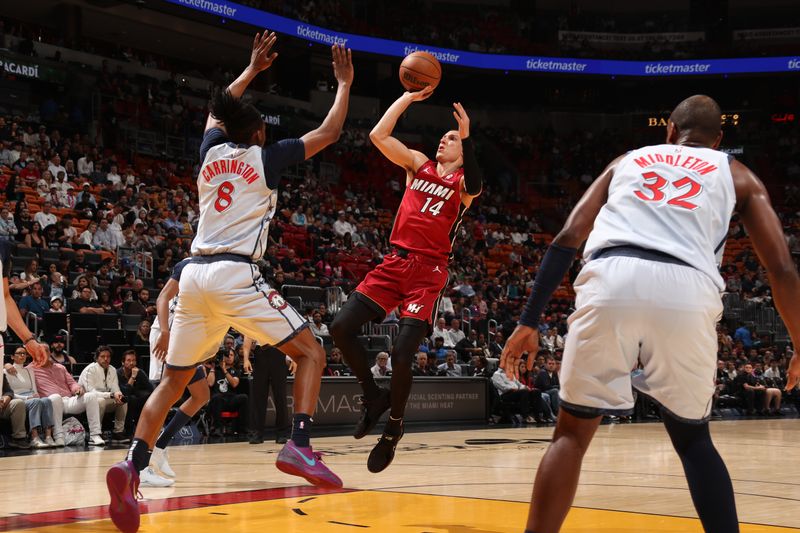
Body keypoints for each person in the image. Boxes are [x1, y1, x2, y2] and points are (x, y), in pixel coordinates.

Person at [500, 95, 800, 533]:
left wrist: (528, 320)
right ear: (719, 140)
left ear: (670, 132)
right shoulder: (738, 174)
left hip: (610, 279)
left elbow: (568, 236)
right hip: (686, 288)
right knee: (693, 439)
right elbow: (783, 269)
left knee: (570, 435)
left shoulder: (628, 160)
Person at [107, 32, 354, 532]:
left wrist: (250, 69)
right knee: (311, 353)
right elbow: (328, 132)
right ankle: (300, 446)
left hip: (193, 276)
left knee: (176, 382)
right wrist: (344, 84)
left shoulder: (209, 152)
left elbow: (217, 113)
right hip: (234, 273)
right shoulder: (266, 158)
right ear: (258, 133)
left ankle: (132, 464)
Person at [330, 87, 483, 474]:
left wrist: (466, 136)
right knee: (340, 327)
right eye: (442, 137)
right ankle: (372, 395)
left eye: (450, 139)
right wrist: (407, 98)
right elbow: (378, 135)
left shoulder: (465, 184)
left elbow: (478, 181)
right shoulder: (418, 164)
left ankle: (394, 429)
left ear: (463, 150)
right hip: (394, 263)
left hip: (428, 273)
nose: (442, 141)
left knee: (401, 355)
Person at [144, 258, 210, 487]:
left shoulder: (220, 271)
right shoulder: (189, 264)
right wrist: (164, 331)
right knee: (164, 396)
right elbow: (163, 298)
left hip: (187, 338)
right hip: (168, 334)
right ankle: (141, 465)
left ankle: (159, 447)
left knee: (201, 394)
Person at [244, 338, 294, 445]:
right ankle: (256, 433)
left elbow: (289, 336)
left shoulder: (281, 320)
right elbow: (248, 336)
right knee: (258, 396)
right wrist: (245, 358)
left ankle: (282, 433)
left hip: (279, 351)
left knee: (280, 396)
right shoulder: (255, 320)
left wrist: (293, 357)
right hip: (260, 352)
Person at [4, 347, 57, 448]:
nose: (22, 355)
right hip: (18, 398)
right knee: (35, 401)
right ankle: (34, 437)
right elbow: (10, 392)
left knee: (46, 400)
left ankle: (48, 436)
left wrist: (36, 395)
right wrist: (27, 398)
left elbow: (34, 388)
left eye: (24, 353)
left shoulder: (29, 370)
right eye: (19, 353)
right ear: (12, 356)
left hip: (31, 396)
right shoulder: (6, 371)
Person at [78, 346, 129, 445]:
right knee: (100, 401)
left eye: (108, 356)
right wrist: (111, 394)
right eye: (102, 356)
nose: (106, 359)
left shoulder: (113, 369)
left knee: (122, 401)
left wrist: (118, 395)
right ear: (96, 358)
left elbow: (115, 388)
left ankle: (118, 432)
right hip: (86, 400)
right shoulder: (90, 369)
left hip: (105, 398)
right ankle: (96, 433)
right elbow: (91, 392)